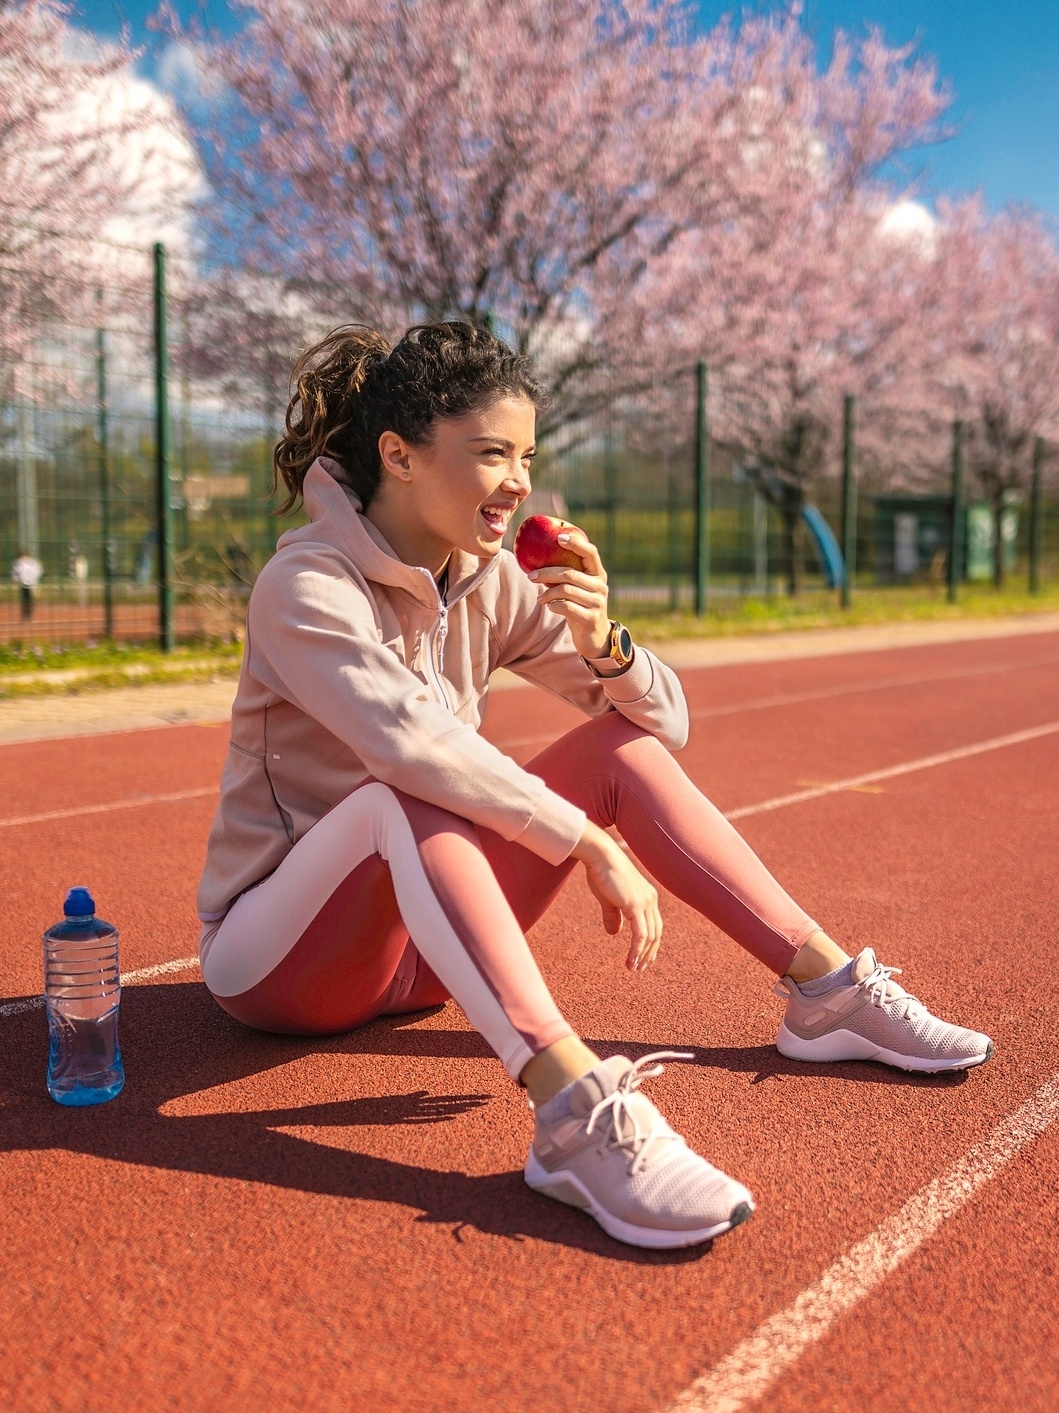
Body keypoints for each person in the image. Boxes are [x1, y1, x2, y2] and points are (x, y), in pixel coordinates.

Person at [197, 323, 993, 1251]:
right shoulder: (304, 585)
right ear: (399, 455)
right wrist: (580, 839)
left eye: (526, 456)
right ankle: (573, 1115)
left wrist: (601, 640)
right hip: (283, 967)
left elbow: (663, 728)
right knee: (400, 795)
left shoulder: (488, 581)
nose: (517, 482)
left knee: (618, 750)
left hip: (423, 957)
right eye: (491, 453)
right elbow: (407, 744)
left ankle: (827, 993)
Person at [12, 548, 43, 624]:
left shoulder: (32, 562)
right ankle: (24, 617)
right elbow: (15, 572)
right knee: (24, 601)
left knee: (30, 601)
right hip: (23, 584)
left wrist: (34, 579)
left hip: (31, 584)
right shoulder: (18, 562)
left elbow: (39, 570)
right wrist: (16, 579)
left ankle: (30, 617)